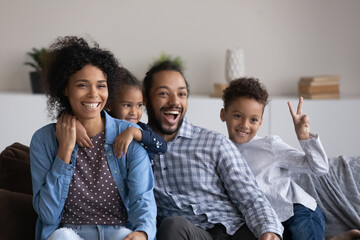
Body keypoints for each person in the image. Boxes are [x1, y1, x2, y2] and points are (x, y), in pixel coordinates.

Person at [29, 36, 156, 240]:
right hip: (68, 234)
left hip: (118, 231)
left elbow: (143, 199)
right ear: (65, 88)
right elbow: (47, 214)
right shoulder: (43, 140)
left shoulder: (128, 136)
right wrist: (64, 153)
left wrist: (142, 232)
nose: (93, 94)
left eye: (101, 85)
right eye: (82, 85)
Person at [142, 60, 284, 240]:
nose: (174, 102)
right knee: (172, 225)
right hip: (191, 234)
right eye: (163, 93)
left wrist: (269, 231)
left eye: (182, 94)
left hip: (234, 231)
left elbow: (250, 197)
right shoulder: (136, 150)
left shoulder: (215, 143)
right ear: (145, 99)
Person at [220, 77, 330, 240]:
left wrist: (304, 136)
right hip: (267, 223)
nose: (245, 125)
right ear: (223, 114)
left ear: (261, 122)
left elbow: (320, 168)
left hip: (296, 211)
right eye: (237, 116)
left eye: (253, 120)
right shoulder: (221, 151)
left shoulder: (270, 145)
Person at [75, 66, 167, 164]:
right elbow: (80, 114)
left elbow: (162, 147)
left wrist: (134, 132)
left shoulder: (142, 129)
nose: (134, 112)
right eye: (127, 105)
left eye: (139, 105)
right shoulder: (101, 125)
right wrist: (74, 122)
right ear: (109, 105)